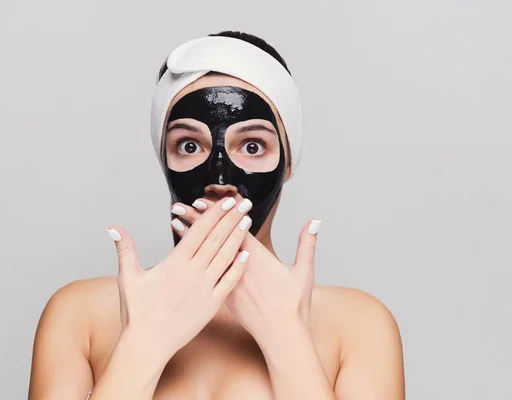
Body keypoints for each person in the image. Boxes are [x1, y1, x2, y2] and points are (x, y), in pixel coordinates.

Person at [28, 31, 405, 400]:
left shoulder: (360, 326)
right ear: (164, 160)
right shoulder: (79, 315)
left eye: (253, 146)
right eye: (189, 145)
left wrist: (286, 337)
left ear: (287, 162)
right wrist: (145, 342)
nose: (220, 180)